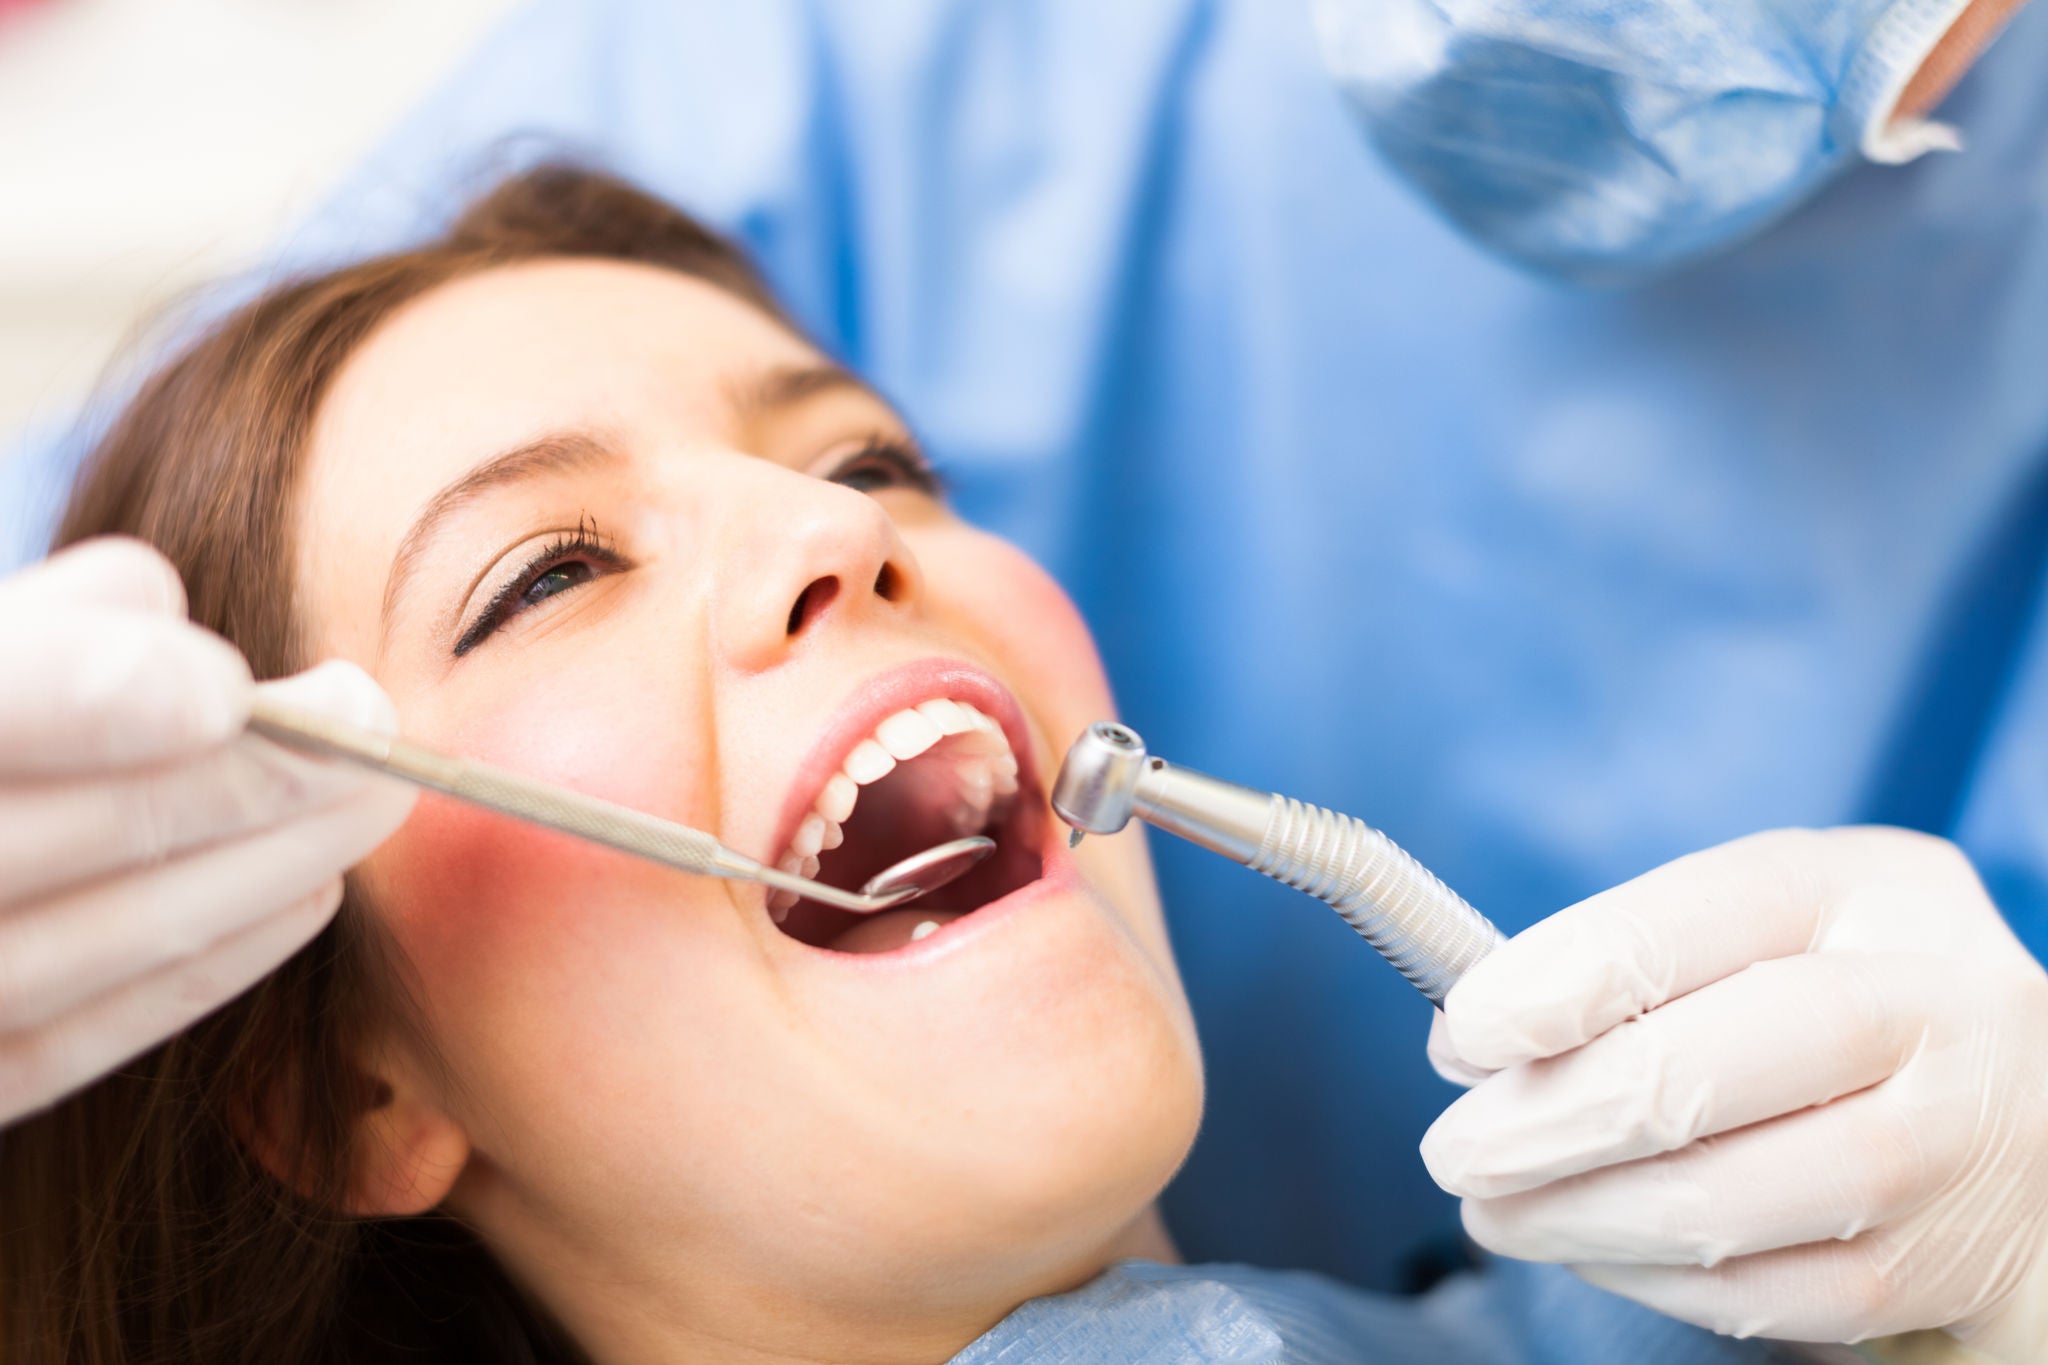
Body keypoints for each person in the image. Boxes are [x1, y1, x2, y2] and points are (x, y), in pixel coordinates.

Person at [3, 0, 2047, 1348]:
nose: (836, 532)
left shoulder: (1746, 1309)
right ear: (337, 1081)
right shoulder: (843, 75)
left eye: (871, 458)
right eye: (546, 572)